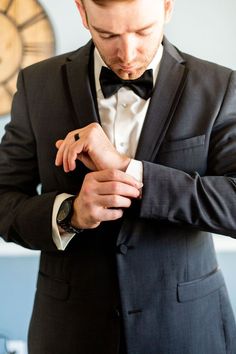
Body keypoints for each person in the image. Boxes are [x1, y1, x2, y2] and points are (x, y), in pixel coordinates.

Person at [0, 0, 236, 352]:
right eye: (107, 34)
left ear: (167, 7)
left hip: (188, 329)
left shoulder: (220, 86)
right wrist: (70, 213)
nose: (126, 53)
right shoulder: (37, 85)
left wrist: (129, 170)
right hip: (70, 332)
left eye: (143, 31)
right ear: (82, 12)